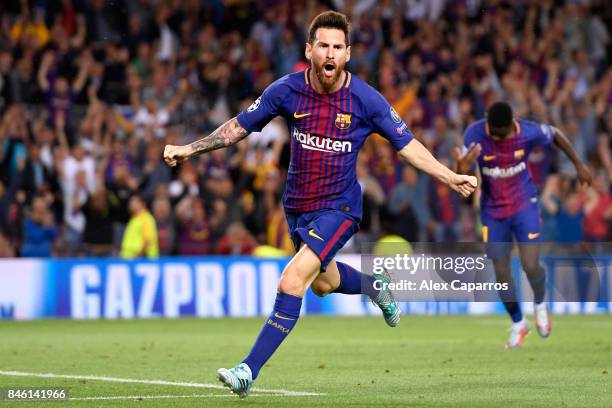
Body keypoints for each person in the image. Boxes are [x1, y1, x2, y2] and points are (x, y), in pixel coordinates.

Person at [164, 11, 476, 398]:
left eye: (338, 47)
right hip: (297, 207)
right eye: (323, 45)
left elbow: (407, 146)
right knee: (323, 285)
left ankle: (248, 370)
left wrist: (450, 176)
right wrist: (188, 149)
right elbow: (237, 128)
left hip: (340, 209)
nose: (330, 53)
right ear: (309, 50)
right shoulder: (286, 91)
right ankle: (375, 285)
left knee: (292, 281)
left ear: (347, 55)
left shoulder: (366, 100)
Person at [455, 101, 591, 349]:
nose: (496, 137)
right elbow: (462, 175)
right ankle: (519, 324)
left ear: (511, 125)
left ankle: (540, 304)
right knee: (502, 273)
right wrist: (461, 168)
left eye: (501, 133)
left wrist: (579, 165)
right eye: (492, 132)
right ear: (486, 121)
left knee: (530, 265)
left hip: (523, 206)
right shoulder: (474, 134)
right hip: (493, 211)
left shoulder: (528, 132)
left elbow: (556, 135)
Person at [119, 194, 159, 259]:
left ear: (143, 204)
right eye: (130, 202)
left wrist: (139, 256)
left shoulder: (146, 218)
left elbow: (147, 240)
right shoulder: (134, 219)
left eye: (135, 202)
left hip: (141, 260)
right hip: (129, 260)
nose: (131, 204)